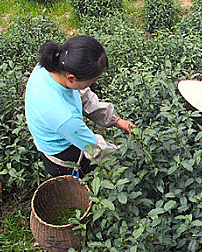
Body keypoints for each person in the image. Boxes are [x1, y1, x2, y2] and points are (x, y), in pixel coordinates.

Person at [25, 35, 134, 177]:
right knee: (83, 188)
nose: (92, 84)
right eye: (91, 81)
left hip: (62, 135)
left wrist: (117, 121)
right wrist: (128, 156)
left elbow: (83, 95)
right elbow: (95, 148)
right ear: (71, 78)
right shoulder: (64, 117)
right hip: (63, 158)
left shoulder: (52, 65)